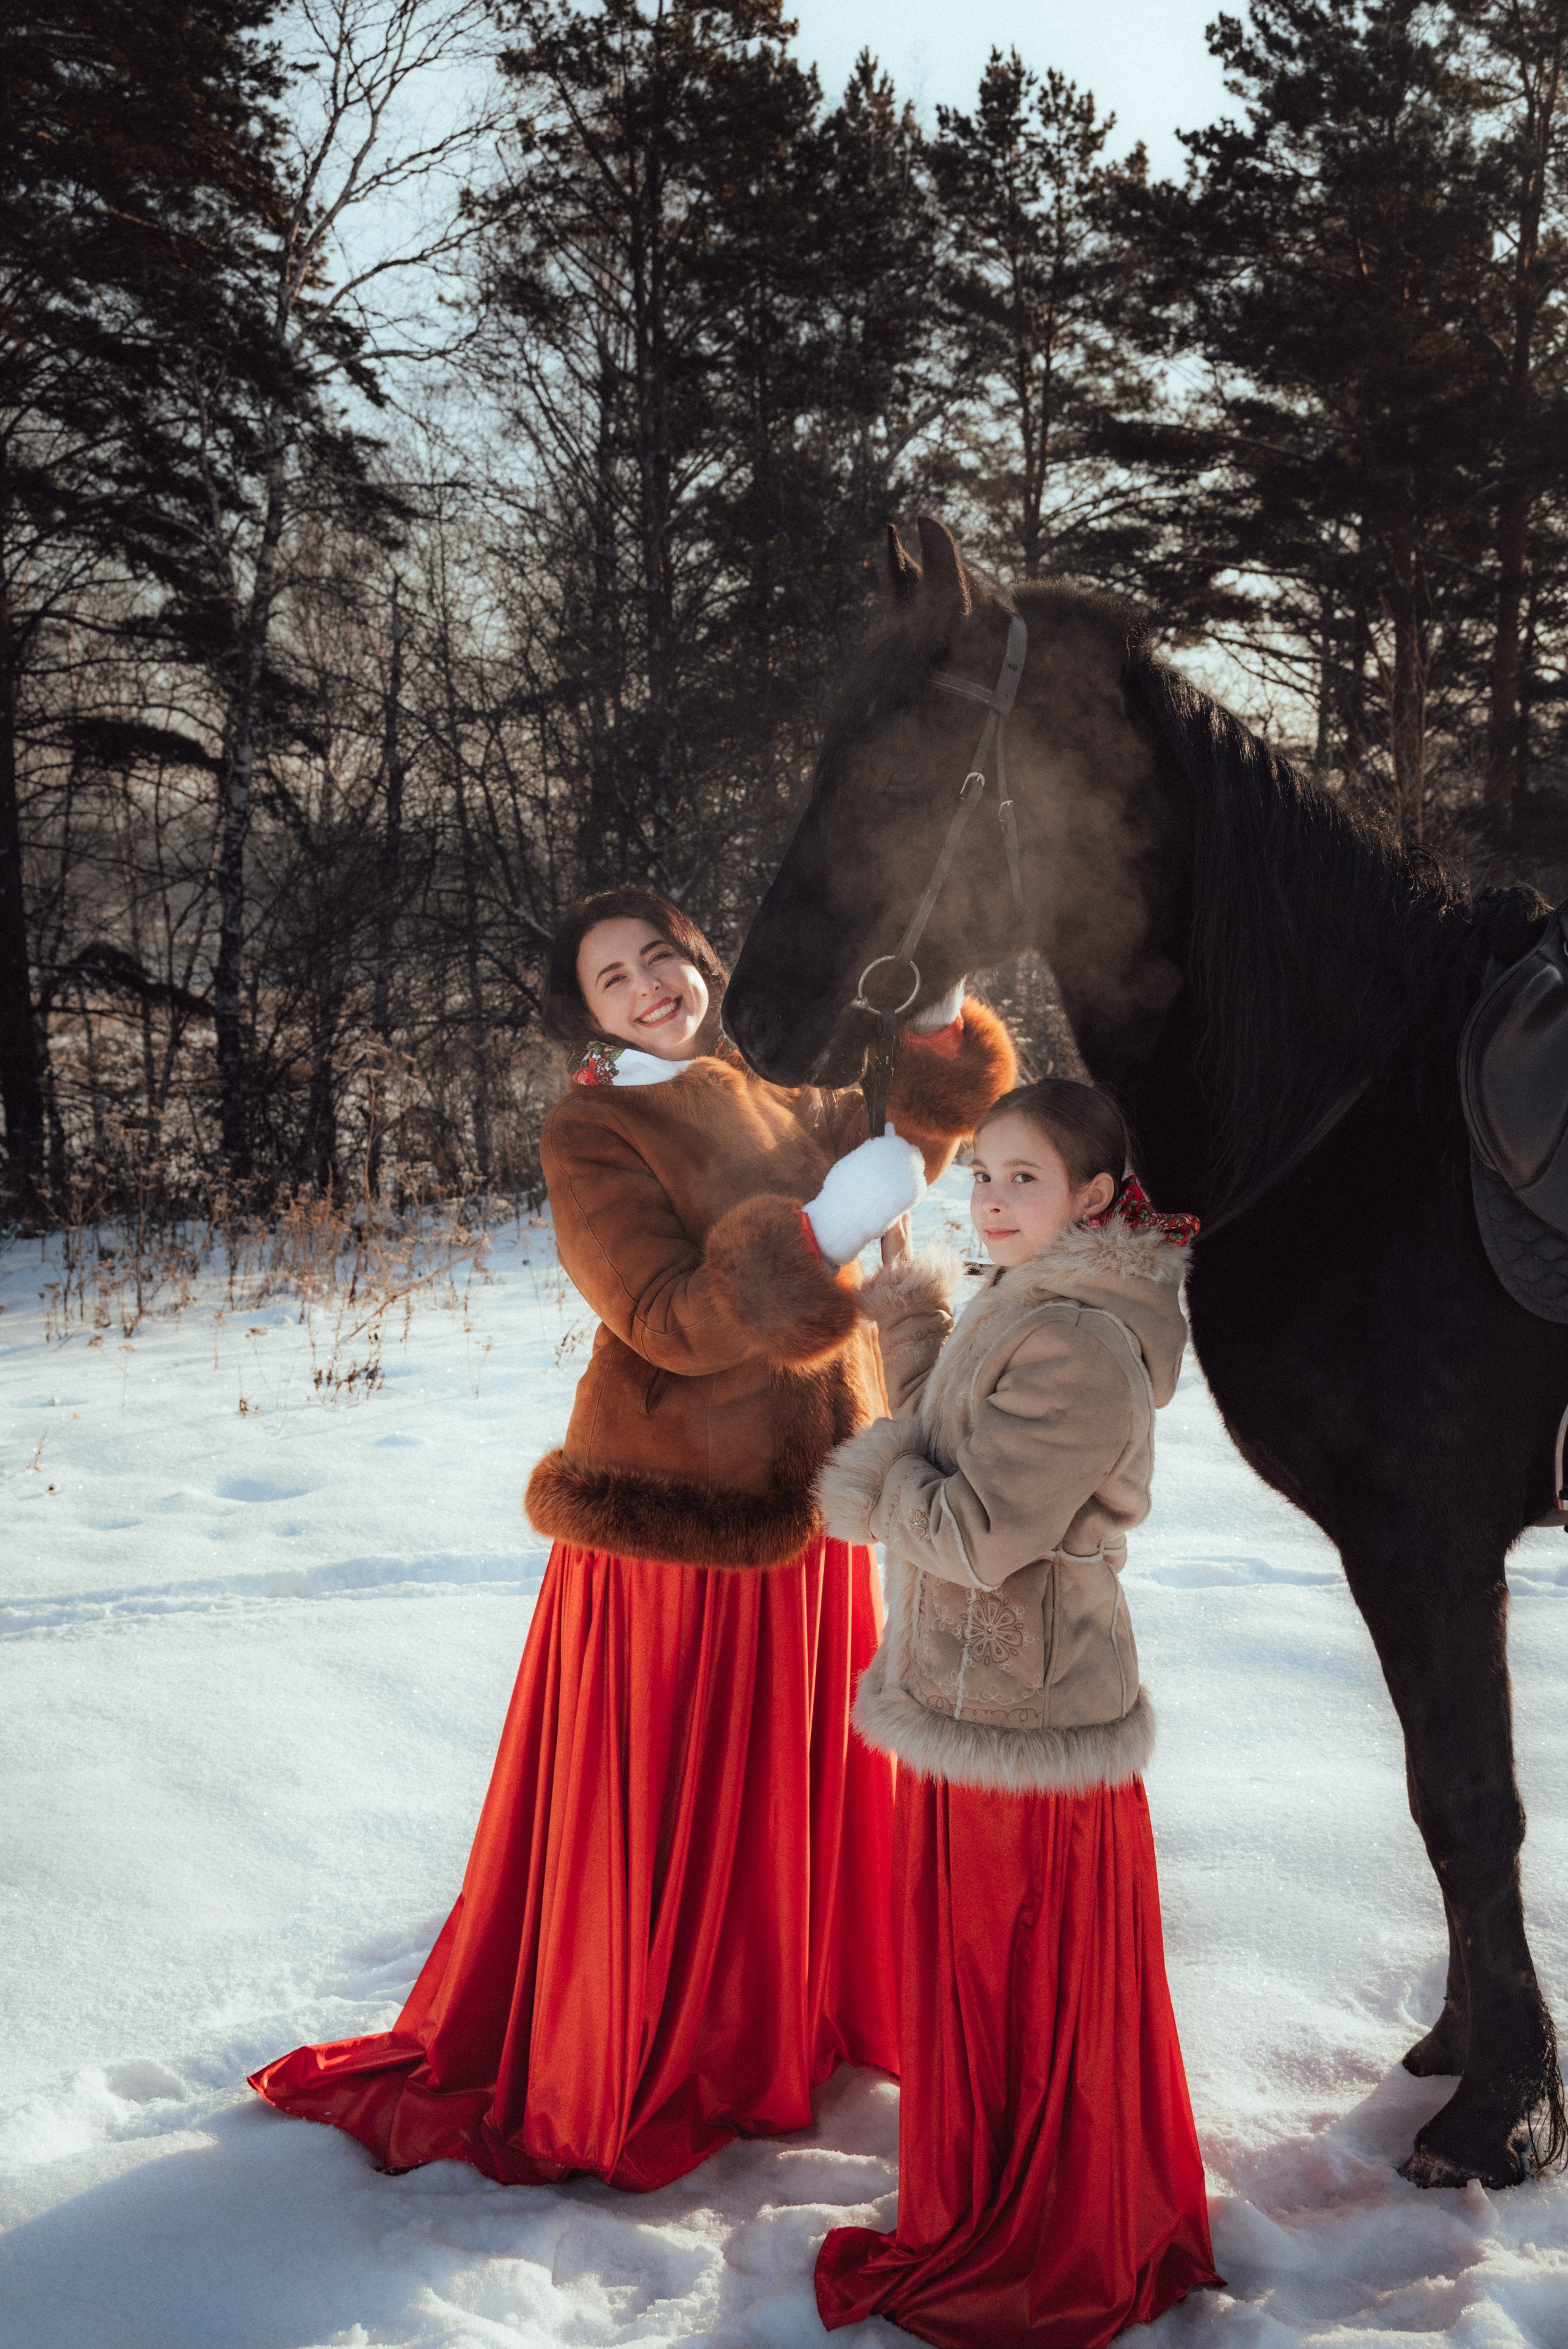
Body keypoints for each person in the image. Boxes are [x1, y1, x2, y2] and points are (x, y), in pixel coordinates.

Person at [249, 887, 1014, 2192]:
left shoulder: (774, 1081)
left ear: (703, 965)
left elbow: (910, 1131)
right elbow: (663, 1316)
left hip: (812, 1499)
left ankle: (781, 2016)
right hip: (677, 1520)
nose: (650, 985)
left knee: (791, 1789)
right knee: (670, 1808)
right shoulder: (593, 1128)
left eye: (664, 957)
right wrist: (826, 1226)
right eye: (615, 978)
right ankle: (649, 2043)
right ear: (590, 1015)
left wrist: (938, 1018)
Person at [812, 1077, 1222, 2347]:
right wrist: (907, 1304)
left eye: (1023, 1178)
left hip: (1026, 1718)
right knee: (977, 1985)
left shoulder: (1082, 1340)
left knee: (1018, 1990)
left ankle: (1046, 2227)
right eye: (982, 1174)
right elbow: (951, 1435)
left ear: (1093, 1196)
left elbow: (977, 1530)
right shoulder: (1030, 1294)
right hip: (971, 1697)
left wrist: (865, 1491)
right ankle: (988, 2190)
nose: (989, 1199)